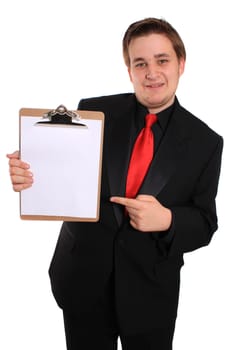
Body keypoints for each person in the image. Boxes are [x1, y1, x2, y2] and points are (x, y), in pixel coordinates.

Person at [7, 17, 223, 350]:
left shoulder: (206, 142)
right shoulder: (94, 112)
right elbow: (63, 172)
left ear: (181, 64)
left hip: (151, 292)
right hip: (83, 280)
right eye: (141, 63)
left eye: (162, 60)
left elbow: (206, 221)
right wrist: (31, 172)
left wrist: (167, 220)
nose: (151, 72)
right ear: (130, 70)